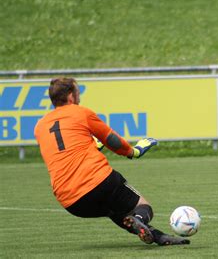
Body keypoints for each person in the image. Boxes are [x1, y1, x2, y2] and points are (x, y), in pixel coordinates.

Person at [34, 77, 190, 246]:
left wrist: (92, 147)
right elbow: (112, 139)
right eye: (78, 92)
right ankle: (139, 219)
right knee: (143, 206)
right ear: (71, 96)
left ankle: (157, 236)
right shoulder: (81, 112)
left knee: (114, 211)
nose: (80, 97)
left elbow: (65, 153)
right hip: (98, 181)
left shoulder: (40, 127)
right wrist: (133, 152)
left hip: (72, 202)